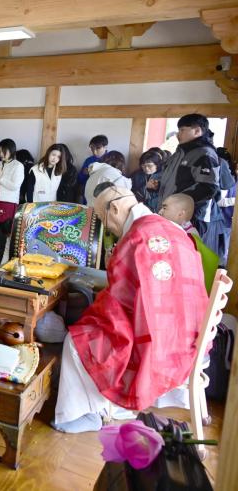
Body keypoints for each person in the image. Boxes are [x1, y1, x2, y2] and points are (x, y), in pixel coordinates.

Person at [53, 184, 209, 433]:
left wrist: (84, 315)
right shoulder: (175, 230)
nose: (107, 228)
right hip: (188, 338)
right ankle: (110, 406)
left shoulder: (136, 238)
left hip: (156, 346)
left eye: (103, 218)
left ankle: (81, 414)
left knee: (78, 339)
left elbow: (115, 305)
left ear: (114, 208)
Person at [158, 114, 220, 234]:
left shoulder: (205, 154)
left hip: (189, 217)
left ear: (197, 131)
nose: (178, 134)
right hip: (169, 212)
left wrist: (176, 201)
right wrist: (156, 185)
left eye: (182, 130)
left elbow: (208, 187)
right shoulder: (180, 152)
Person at [0, 138, 23, 263]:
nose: (1, 154)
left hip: (7, 203)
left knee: (5, 232)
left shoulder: (18, 166)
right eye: (0, 151)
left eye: (4, 151)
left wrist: (0, 178)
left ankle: (4, 260)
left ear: (11, 150)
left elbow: (15, 186)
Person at [77, 134, 108, 200]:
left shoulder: (112, 159)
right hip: (89, 194)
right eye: (92, 149)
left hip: (105, 195)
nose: (94, 152)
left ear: (105, 147)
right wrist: (84, 174)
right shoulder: (89, 160)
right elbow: (80, 180)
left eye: (98, 148)